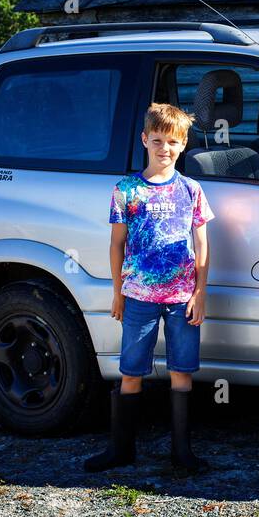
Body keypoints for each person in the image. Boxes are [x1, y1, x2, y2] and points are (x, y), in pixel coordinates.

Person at [85, 103, 214, 474]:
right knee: (131, 370)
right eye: (157, 140)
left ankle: (182, 453)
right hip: (139, 294)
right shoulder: (127, 189)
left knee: (182, 370)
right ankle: (121, 449)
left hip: (182, 298)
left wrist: (200, 292)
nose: (164, 148)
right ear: (145, 139)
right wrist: (117, 291)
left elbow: (202, 244)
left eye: (172, 142)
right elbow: (116, 244)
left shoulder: (191, 189)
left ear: (184, 144)